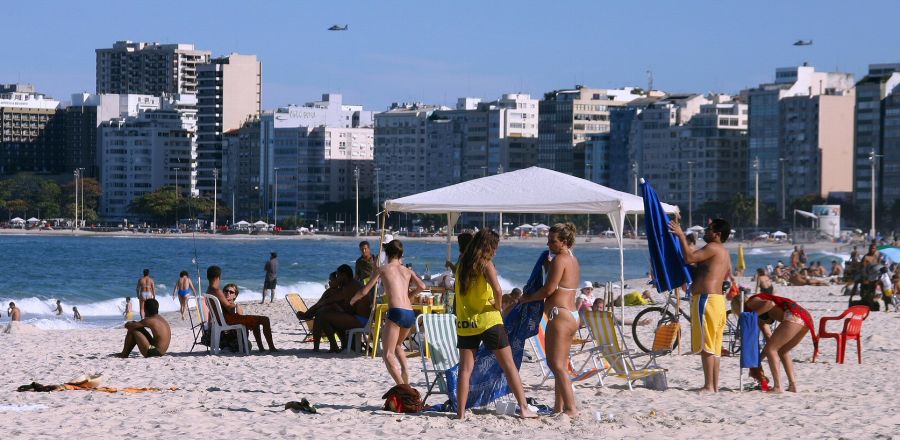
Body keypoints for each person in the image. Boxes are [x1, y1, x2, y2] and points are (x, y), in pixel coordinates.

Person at [454, 230, 536, 420]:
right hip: (489, 320)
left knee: (465, 369)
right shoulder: (485, 264)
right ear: (489, 246)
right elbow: (498, 290)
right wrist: (498, 307)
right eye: (495, 247)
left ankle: (460, 413)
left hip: (466, 323)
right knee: (508, 365)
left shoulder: (462, 265)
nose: (496, 252)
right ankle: (524, 408)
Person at [521, 222, 581, 417]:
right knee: (560, 365)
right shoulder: (572, 259)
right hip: (571, 315)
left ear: (563, 242)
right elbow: (561, 283)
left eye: (552, 241)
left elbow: (549, 290)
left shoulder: (560, 259)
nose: (548, 244)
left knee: (555, 365)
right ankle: (559, 408)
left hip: (560, 315)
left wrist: (527, 298)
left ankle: (571, 408)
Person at [350, 239, 425, 385]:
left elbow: (365, 291)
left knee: (387, 354)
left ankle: (401, 386)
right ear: (401, 254)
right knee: (397, 346)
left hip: (396, 312)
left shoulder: (382, 269)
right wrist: (409, 296)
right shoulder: (407, 270)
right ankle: (405, 370)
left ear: (387, 254)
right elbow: (422, 286)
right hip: (409, 313)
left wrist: (353, 300)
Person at [669, 218, 732, 393]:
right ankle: (714, 385)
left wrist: (681, 235)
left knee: (706, 345)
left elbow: (689, 258)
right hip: (718, 301)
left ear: (717, 234)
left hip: (707, 300)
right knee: (715, 346)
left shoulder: (712, 247)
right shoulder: (723, 252)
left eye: (709, 229)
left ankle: (708, 385)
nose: (705, 231)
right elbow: (699, 264)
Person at [737, 293, 816, 393]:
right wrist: (756, 363)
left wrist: (752, 316)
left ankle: (778, 386)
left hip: (794, 316)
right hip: (804, 317)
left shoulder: (751, 302)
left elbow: (770, 304)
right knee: (782, 350)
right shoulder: (757, 313)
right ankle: (793, 385)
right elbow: (769, 338)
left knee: (771, 350)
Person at [207, 265, 278, 352]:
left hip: (223, 320)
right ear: (219, 277)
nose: (228, 293)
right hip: (230, 319)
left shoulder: (209, 291)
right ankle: (272, 348)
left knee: (255, 320)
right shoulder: (216, 291)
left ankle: (261, 349)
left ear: (208, 277)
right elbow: (230, 308)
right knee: (265, 319)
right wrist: (236, 306)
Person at [302, 265, 369, 352]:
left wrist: (308, 313)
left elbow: (328, 301)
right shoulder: (351, 284)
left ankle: (326, 346)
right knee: (325, 313)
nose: (337, 278)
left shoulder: (349, 287)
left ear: (344, 275)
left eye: (338, 275)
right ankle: (335, 345)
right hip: (360, 318)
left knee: (322, 315)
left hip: (361, 320)